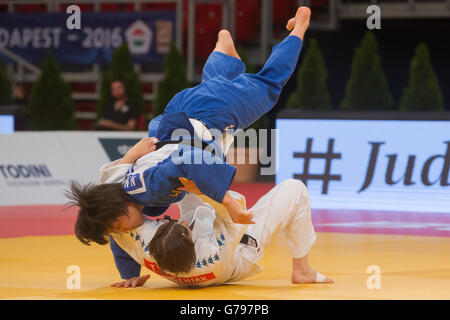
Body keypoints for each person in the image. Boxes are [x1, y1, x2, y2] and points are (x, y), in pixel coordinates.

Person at [68, 6, 312, 247]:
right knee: (212, 87)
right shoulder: (113, 190)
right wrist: (129, 274)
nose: (121, 233)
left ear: (118, 212)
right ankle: (223, 53)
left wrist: (228, 202)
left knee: (269, 84)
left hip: (211, 115)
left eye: (115, 228)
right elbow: (116, 196)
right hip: (180, 112)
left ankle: (300, 23)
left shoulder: (150, 188)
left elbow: (190, 158)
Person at [68, 178, 333, 288]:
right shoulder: (218, 246)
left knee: (187, 183)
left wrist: (130, 276)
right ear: (186, 229)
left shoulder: (129, 236)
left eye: (116, 226)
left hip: (182, 258)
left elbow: (115, 235)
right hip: (236, 254)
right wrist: (202, 187)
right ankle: (303, 270)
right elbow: (235, 212)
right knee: (295, 188)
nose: (122, 228)